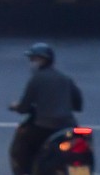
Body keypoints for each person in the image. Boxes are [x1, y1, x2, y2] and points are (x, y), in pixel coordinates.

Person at [9, 43, 83, 175]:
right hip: (69, 126)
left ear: (41, 60)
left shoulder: (36, 79)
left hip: (43, 128)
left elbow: (24, 107)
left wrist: (15, 107)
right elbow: (78, 104)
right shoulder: (65, 78)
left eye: (33, 59)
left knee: (21, 149)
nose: (31, 63)